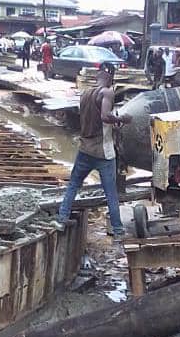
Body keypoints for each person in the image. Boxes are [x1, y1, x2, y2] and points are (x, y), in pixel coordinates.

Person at [56, 62, 131, 240]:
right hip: (103, 152)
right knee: (111, 193)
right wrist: (122, 119)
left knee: (73, 185)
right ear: (111, 77)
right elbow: (105, 116)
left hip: (84, 149)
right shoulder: (107, 92)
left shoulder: (86, 92)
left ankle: (61, 218)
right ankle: (119, 231)